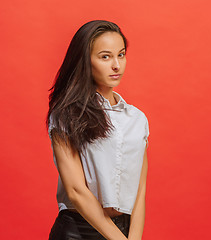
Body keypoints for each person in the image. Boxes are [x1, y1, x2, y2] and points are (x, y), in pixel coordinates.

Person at [46, 20, 150, 240]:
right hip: (77, 232)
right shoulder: (66, 115)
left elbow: (139, 191)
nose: (116, 65)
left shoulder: (137, 119)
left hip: (125, 229)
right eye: (105, 56)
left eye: (121, 55)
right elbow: (75, 191)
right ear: (85, 61)